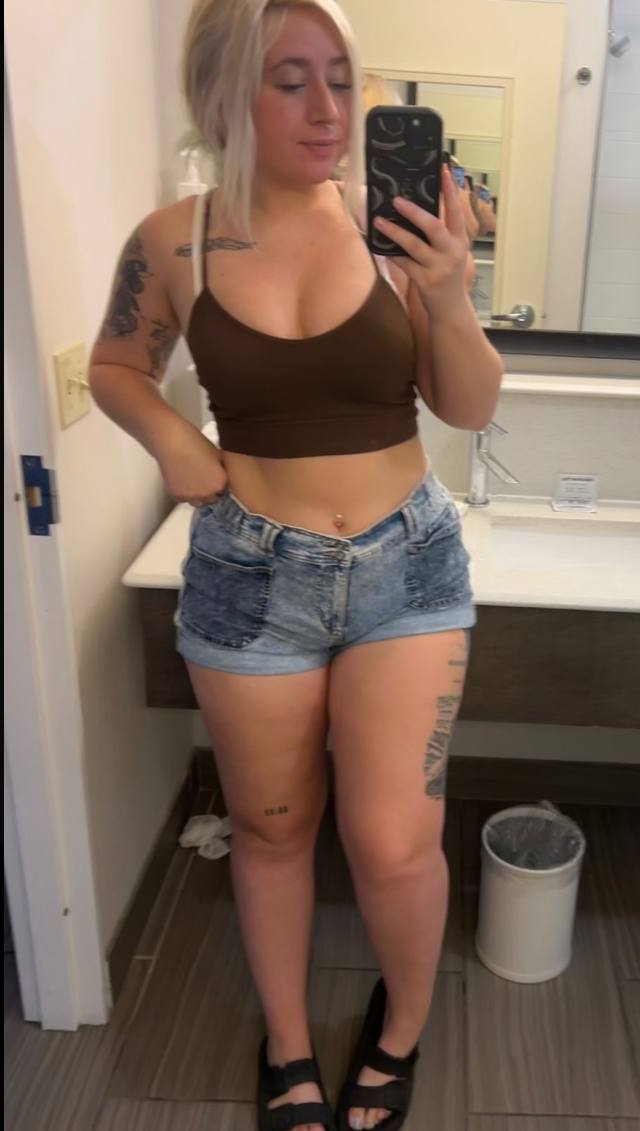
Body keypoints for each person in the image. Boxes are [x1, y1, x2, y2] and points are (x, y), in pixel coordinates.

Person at [89, 2, 503, 1129]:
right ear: (226, 93)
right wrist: (175, 440)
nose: (329, 110)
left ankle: (398, 1032)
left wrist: (450, 292)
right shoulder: (172, 240)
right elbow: (116, 366)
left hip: (406, 564)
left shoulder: (393, 226)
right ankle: (286, 1046)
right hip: (248, 572)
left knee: (394, 840)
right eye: (290, 81)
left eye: (341, 79)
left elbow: (466, 406)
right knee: (272, 828)